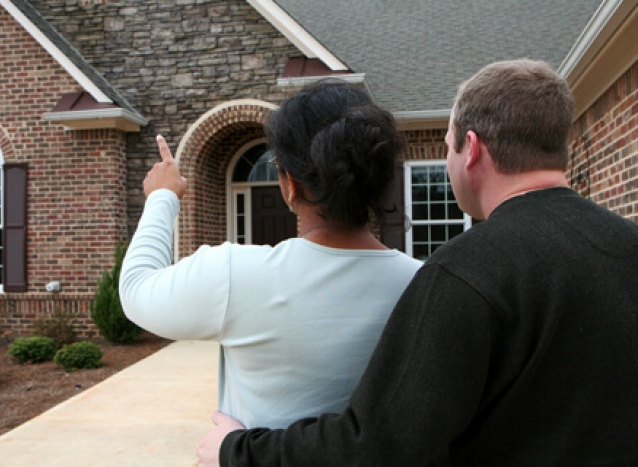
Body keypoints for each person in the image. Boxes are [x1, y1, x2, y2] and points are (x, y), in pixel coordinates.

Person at [197, 59, 638, 466]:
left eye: (447, 146)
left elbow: (376, 446)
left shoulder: (467, 273)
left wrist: (236, 450)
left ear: (472, 149)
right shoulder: (628, 246)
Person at [119, 81, 422, 430]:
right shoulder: (423, 283)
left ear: (290, 184)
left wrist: (162, 197)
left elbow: (135, 288)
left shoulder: (235, 276)